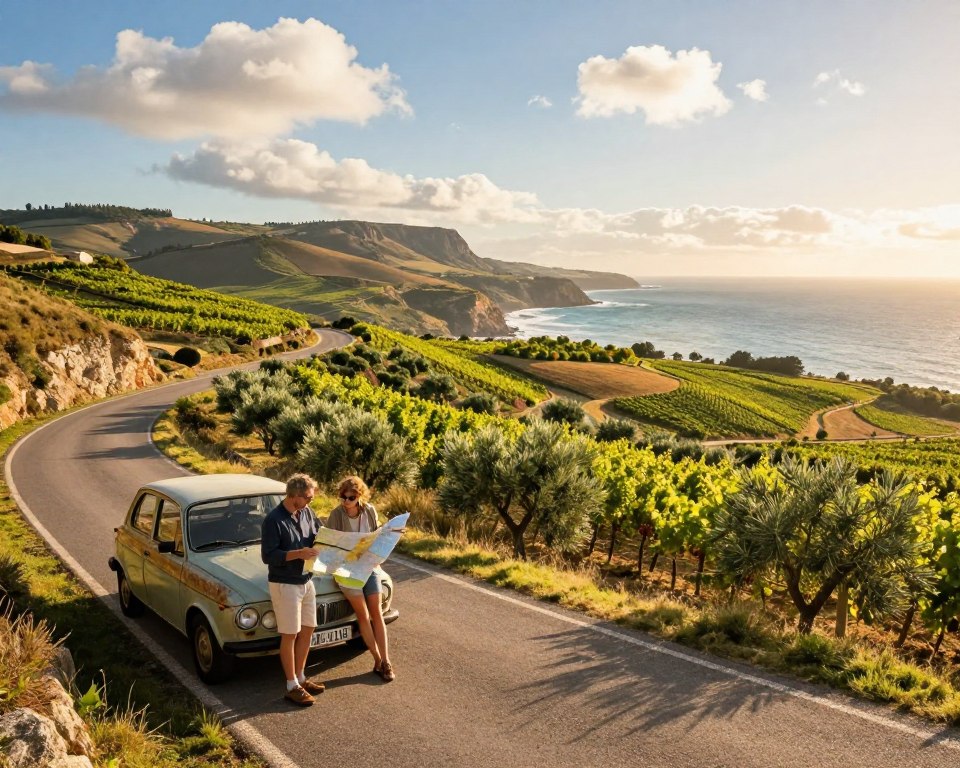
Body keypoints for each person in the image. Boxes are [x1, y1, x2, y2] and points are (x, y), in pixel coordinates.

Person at [261, 473, 326, 706]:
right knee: (289, 635)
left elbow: (319, 536)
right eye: (307, 497)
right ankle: (291, 685)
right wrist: (299, 553)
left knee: (308, 629)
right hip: (284, 584)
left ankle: (300, 677)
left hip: (306, 580)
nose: (310, 502)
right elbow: (268, 556)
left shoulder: (307, 512)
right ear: (294, 495)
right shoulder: (273, 520)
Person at [326, 475, 395, 682]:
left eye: (351, 497)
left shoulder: (370, 511)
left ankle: (386, 660)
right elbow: (330, 545)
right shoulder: (336, 515)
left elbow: (377, 537)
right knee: (362, 615)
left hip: (368, 567)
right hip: (346, 571)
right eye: (343, 497)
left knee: (377, 614)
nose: (346, 501)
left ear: (359, 496)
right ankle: (378, 661)